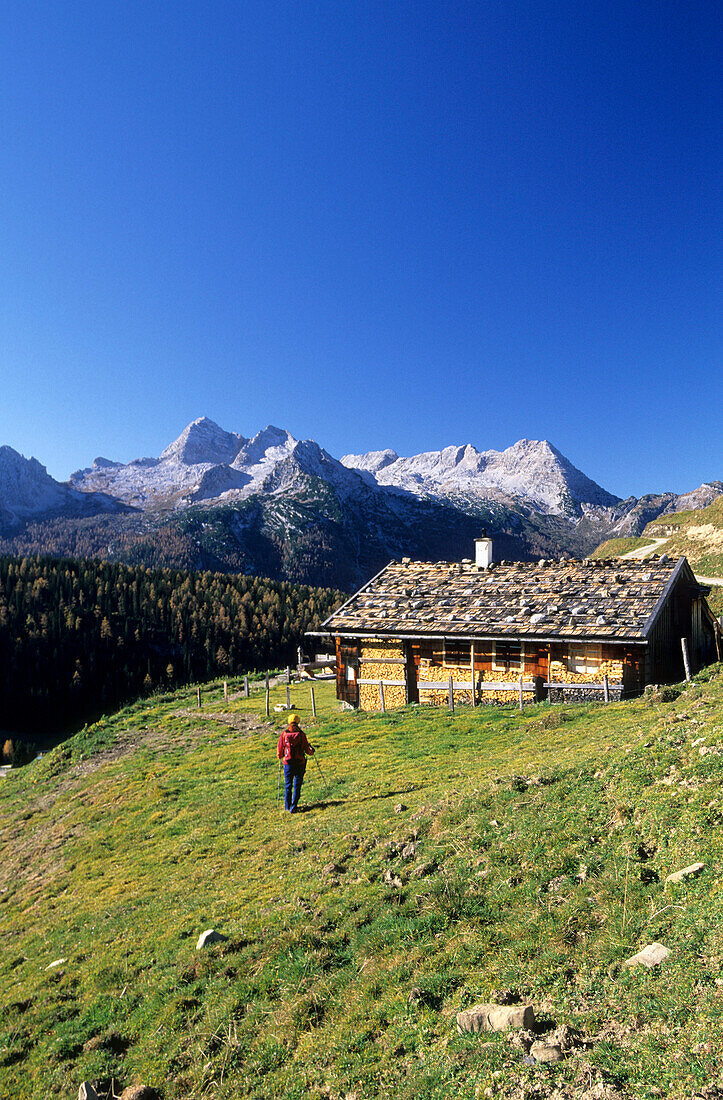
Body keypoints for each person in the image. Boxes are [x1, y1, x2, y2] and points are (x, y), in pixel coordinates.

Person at [277, 713, 315, 813]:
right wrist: (312, 750)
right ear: (298, 722)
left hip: (288, 763)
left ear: (289, 722)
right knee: (297, 785)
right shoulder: (302, 735)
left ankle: (287, 807)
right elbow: (308, 751)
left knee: (288, 785)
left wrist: (281, 756)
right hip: (300, 763)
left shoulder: (284, 734)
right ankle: (293, 807)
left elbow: (279, 751)